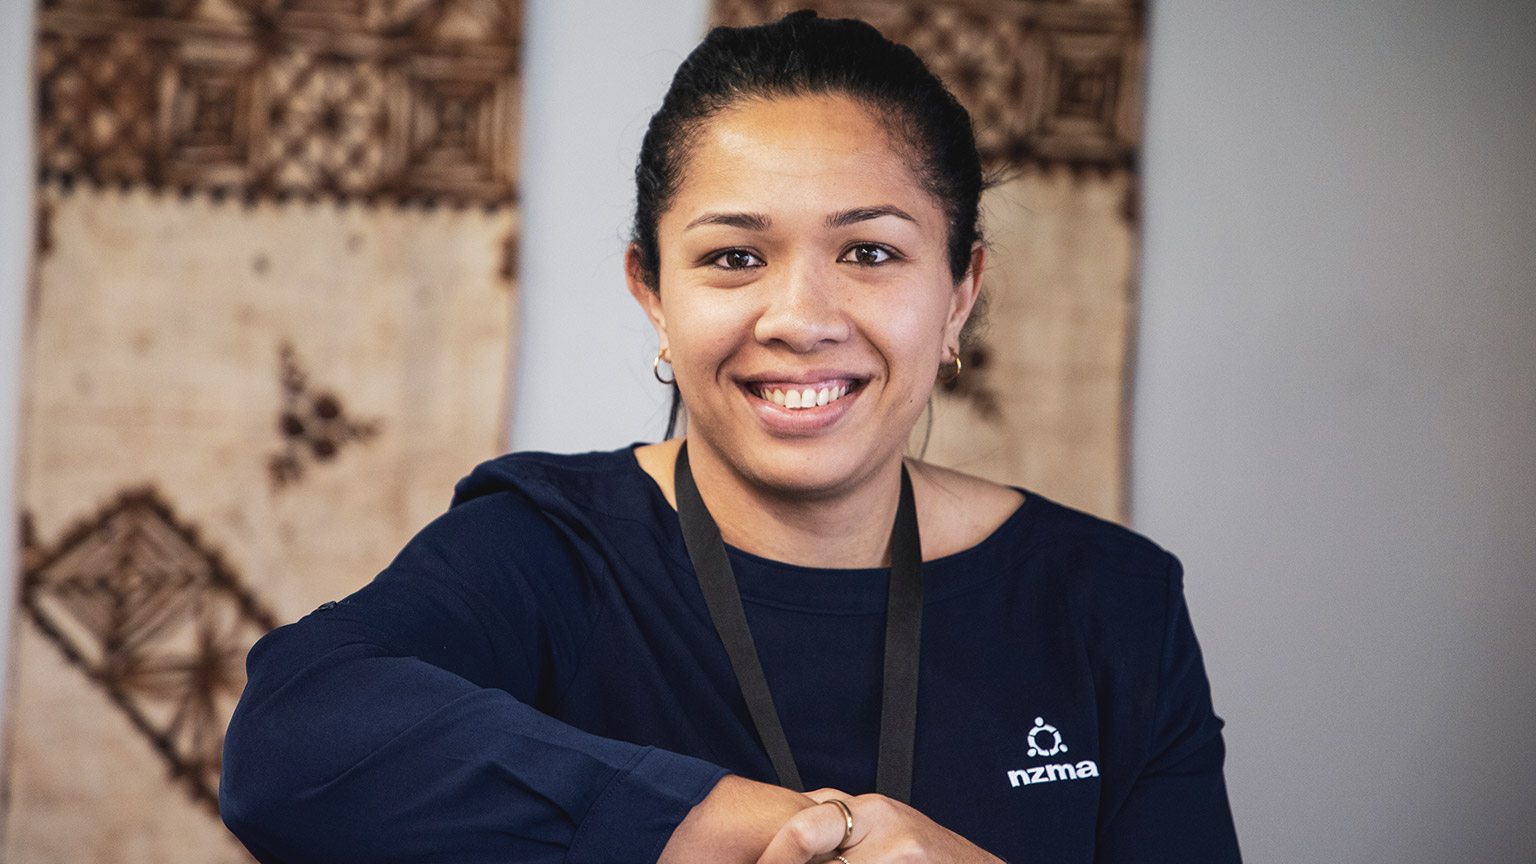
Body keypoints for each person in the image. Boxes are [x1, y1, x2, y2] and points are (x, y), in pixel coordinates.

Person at [220, 11, 1240, 864]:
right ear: (653, 295)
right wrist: (768, 830)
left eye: (871, 251)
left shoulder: (1111, 601)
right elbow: (289, 746)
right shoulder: (545, 550)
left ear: (961, 291)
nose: (800, 316)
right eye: (735, 256)